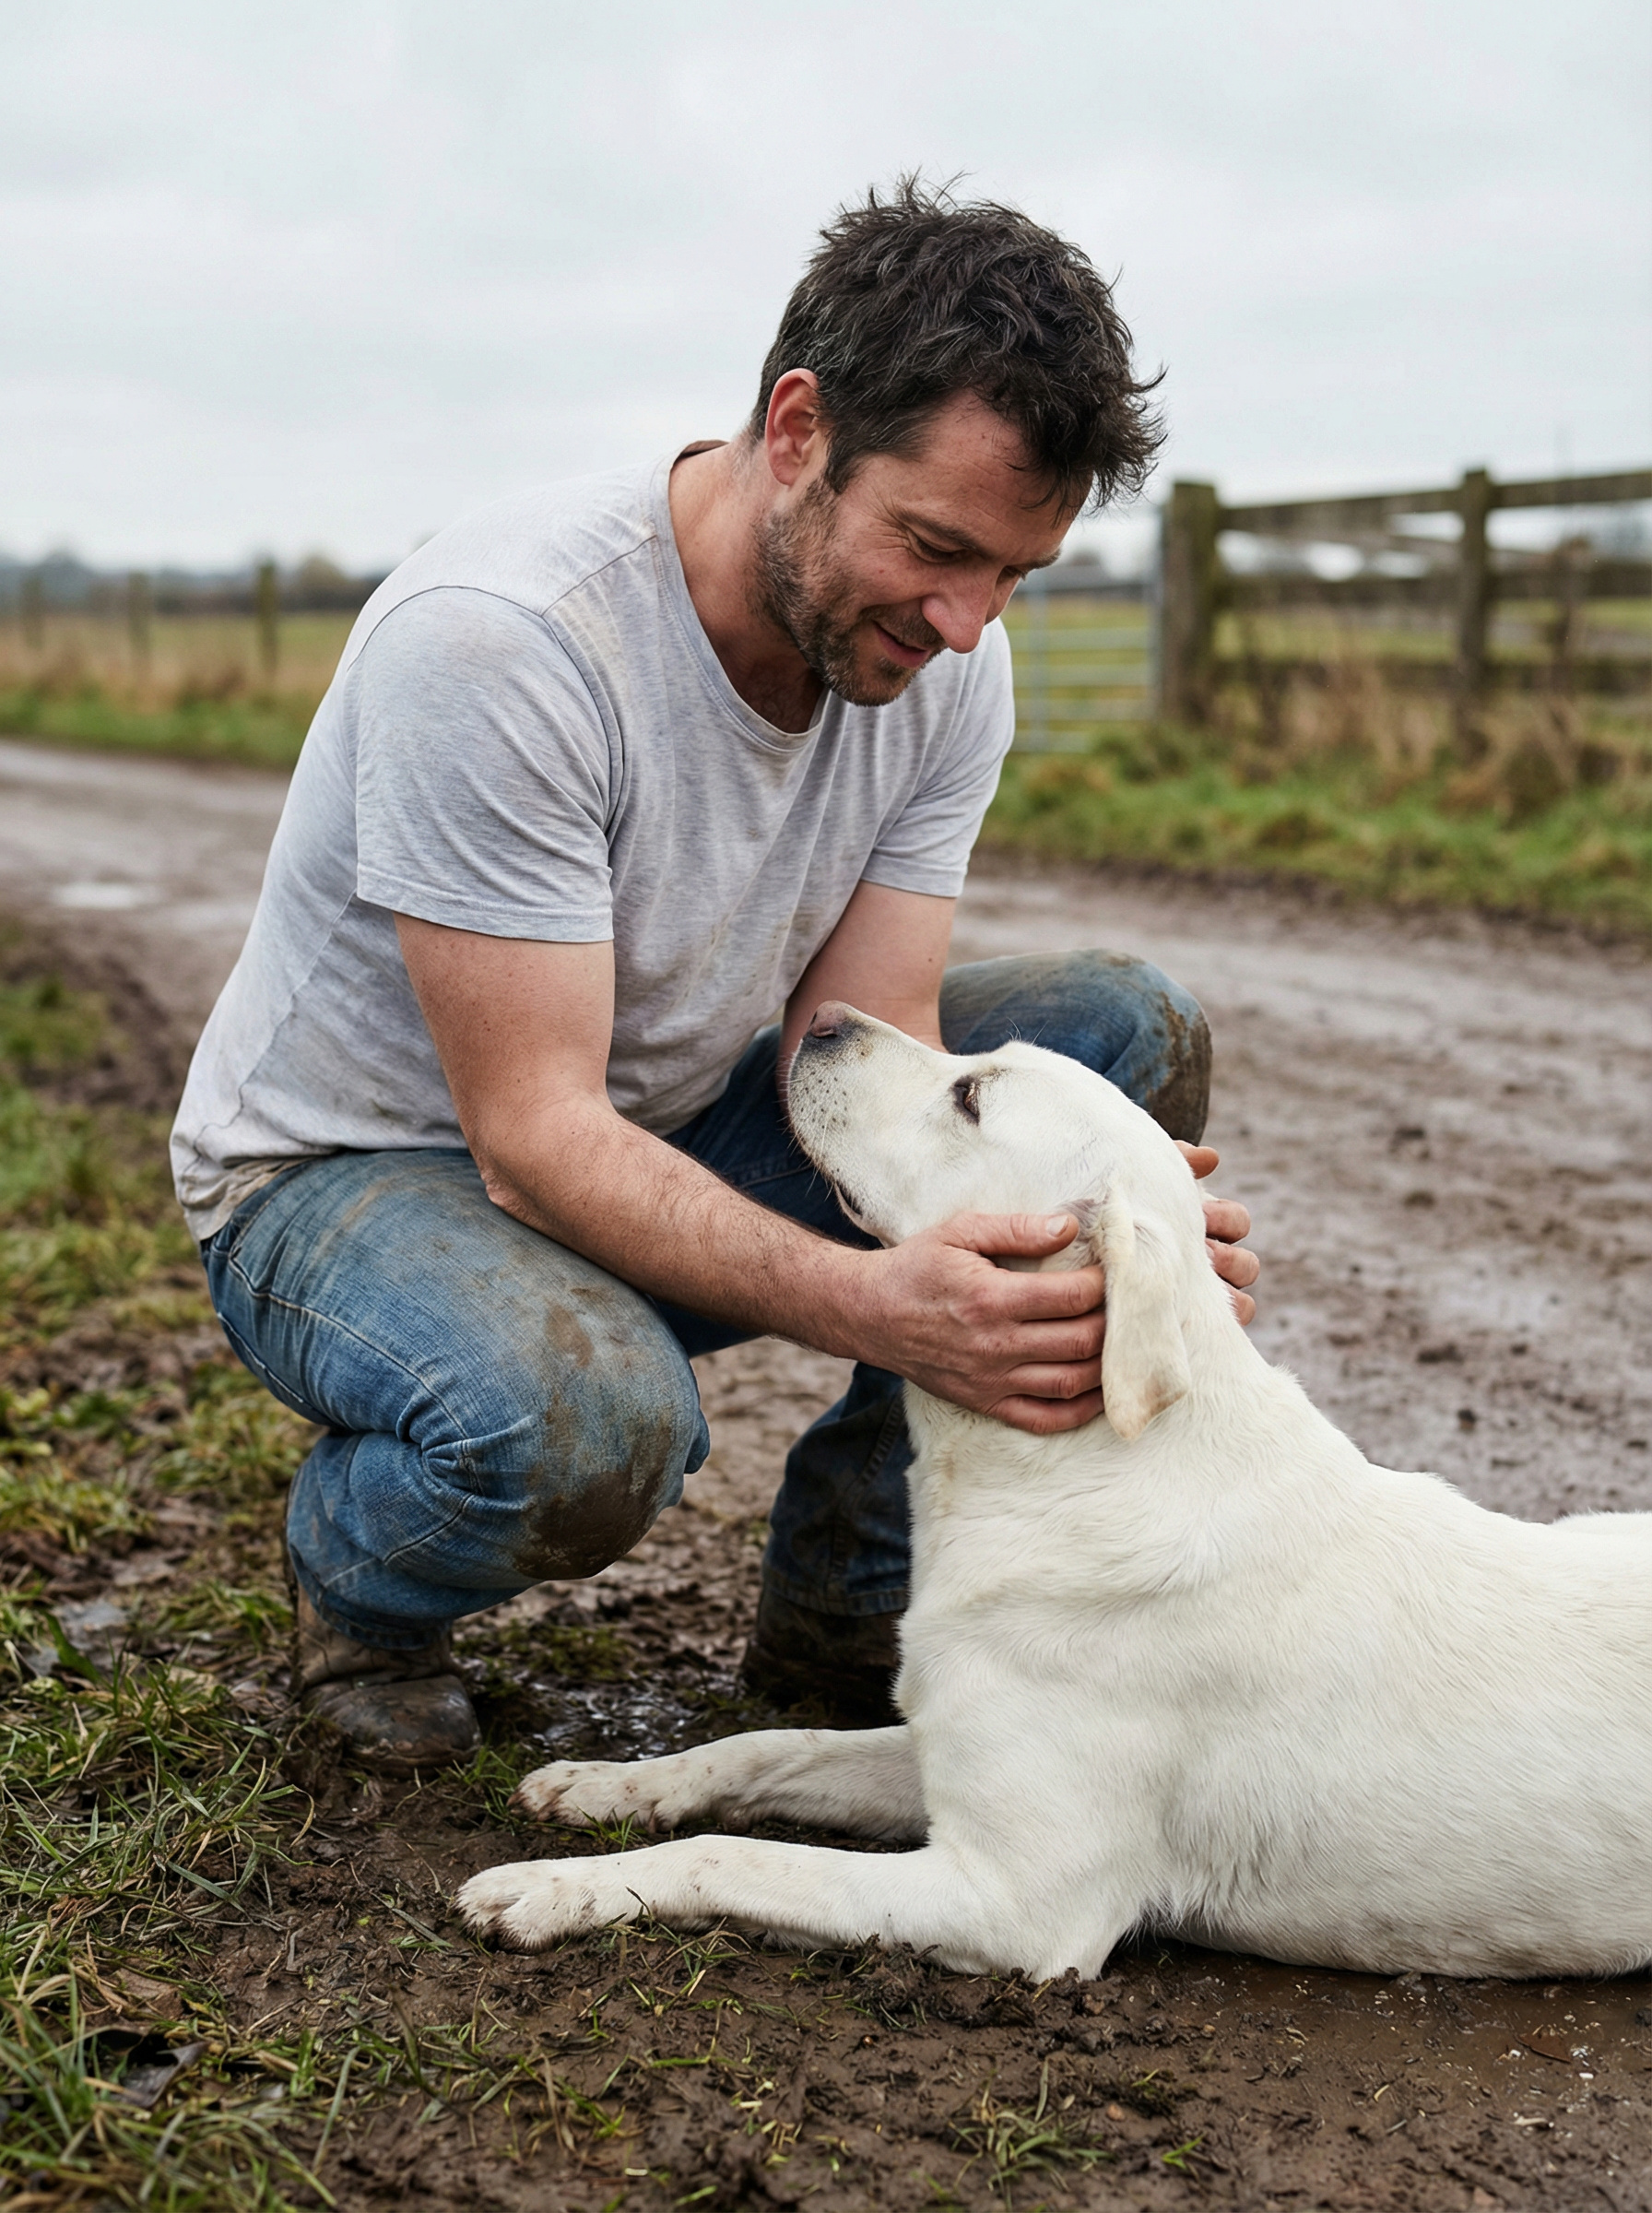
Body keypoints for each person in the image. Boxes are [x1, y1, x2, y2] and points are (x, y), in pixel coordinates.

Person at [171, 179, 1258, 1771]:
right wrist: (887, 1307)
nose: (967, 625)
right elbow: (532, 1142)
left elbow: (865, 1049)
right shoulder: (507, 643)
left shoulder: (946, 658)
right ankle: (363, 1585)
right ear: (799, 429)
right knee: (588, 1425)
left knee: (1114, 1042)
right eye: (938, 547)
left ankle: (851, 1601)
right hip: (354, 1180)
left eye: (1015, 574)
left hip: (664, 1123)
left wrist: (1111, 1206)